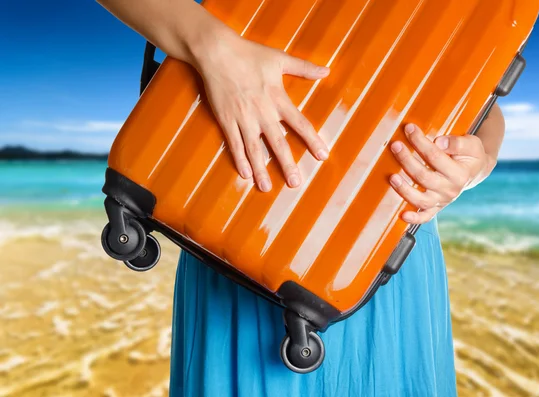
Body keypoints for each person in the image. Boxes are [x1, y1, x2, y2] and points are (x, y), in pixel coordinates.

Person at [97, 1, 506, 396]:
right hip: (235, 203)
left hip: (380, 241)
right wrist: (214, 50)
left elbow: (483, 81)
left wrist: (475, 164)